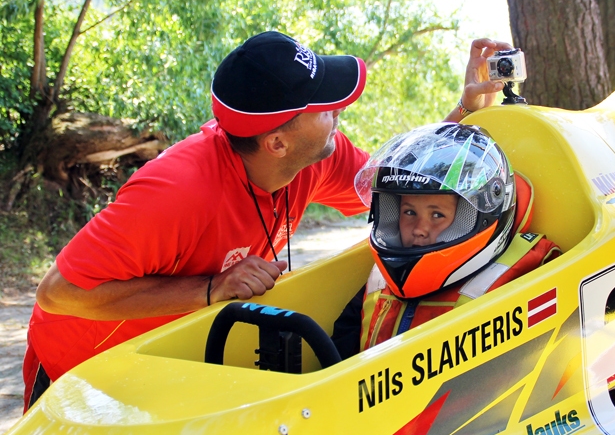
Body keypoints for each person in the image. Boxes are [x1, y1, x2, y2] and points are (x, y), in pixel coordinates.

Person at [23, 31, 510, 411]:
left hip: (171, 362)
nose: (339, 109)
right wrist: (211, 289)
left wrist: (467, 108)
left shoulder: (316, 155)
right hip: (80, 373)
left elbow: (405, 181)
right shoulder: (178, 191)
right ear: (277, 142)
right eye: (323, 106)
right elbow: (58, 292)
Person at [331, 123, 562, 359]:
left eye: (437, 215)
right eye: (409, 212)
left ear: (475, 215)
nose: (420, 229)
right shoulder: (379, 279)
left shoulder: (522, 279)